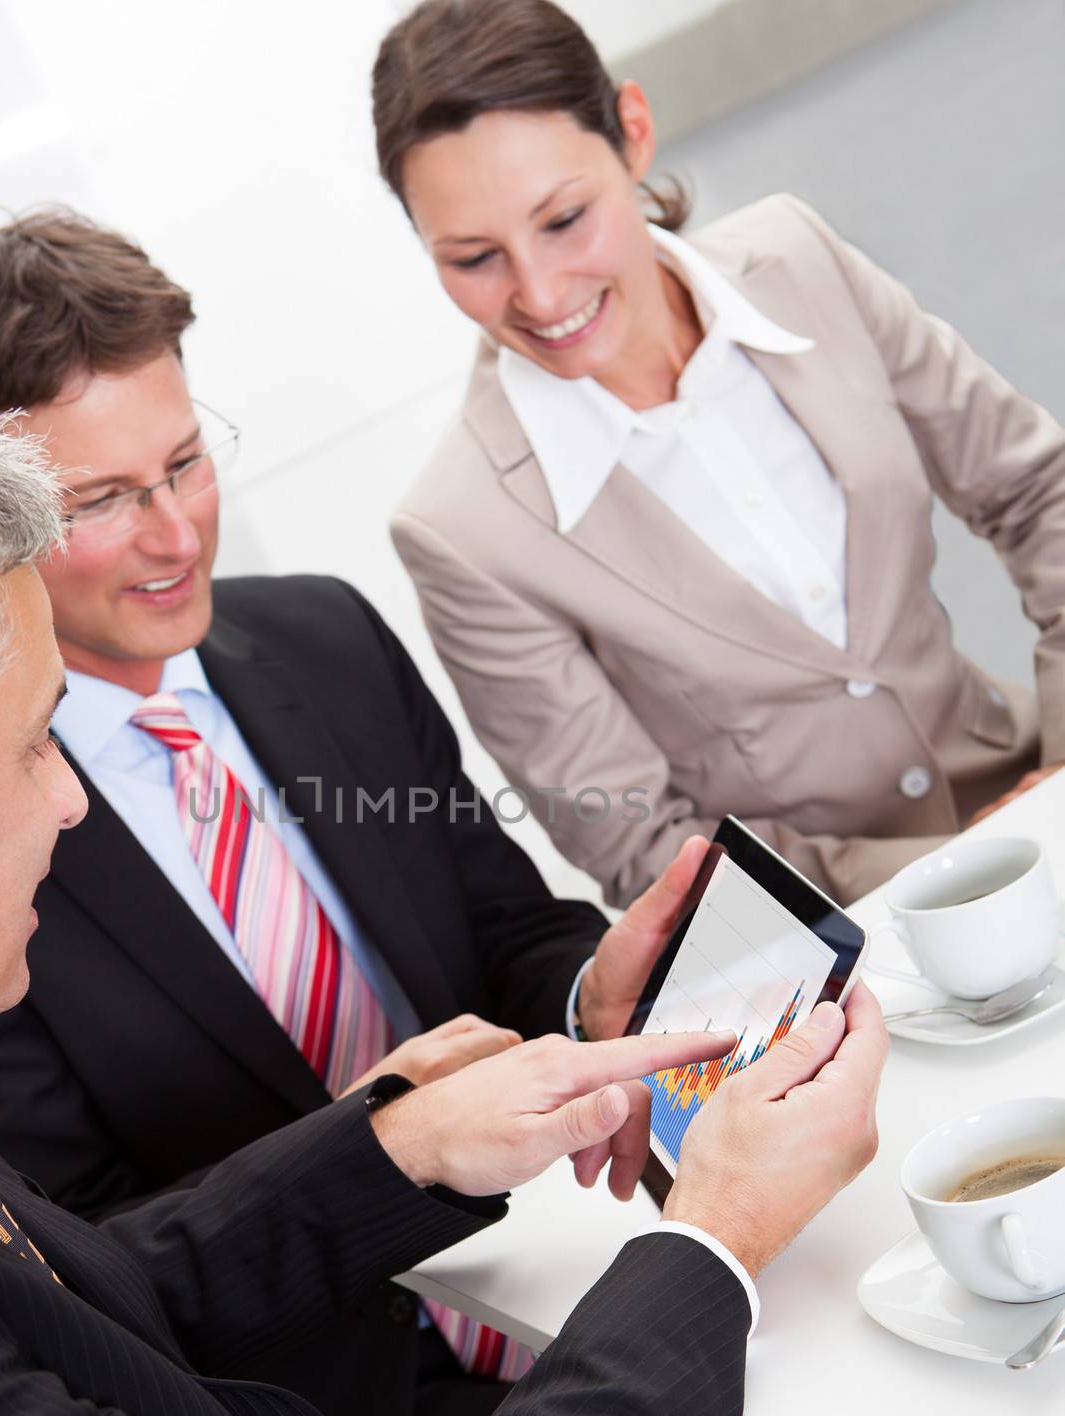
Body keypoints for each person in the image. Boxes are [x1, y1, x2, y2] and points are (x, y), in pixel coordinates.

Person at [0, 400, 944, 1416]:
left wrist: (395, 1145)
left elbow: (86, 1309)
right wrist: (714, 1237)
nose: (67, 799)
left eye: (182, 464)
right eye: (30, 745)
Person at [0, 208, 653, 1416]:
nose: (178, 534)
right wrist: (378, 1159)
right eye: (104, 500)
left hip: (571, 1267)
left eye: (185, 462)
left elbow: (502, 926)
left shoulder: (321, 640)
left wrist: (587, 985)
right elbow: (79, 1250)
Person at [374, 0, 1065, 910]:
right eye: (473, 259)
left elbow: (1036, 491)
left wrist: (1056, 783)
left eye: (565, 218)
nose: (541, 294)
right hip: (844, 949)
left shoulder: (798, 259)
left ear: (633, 131)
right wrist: (968, 866)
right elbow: (642, 848)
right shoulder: (464, 529)